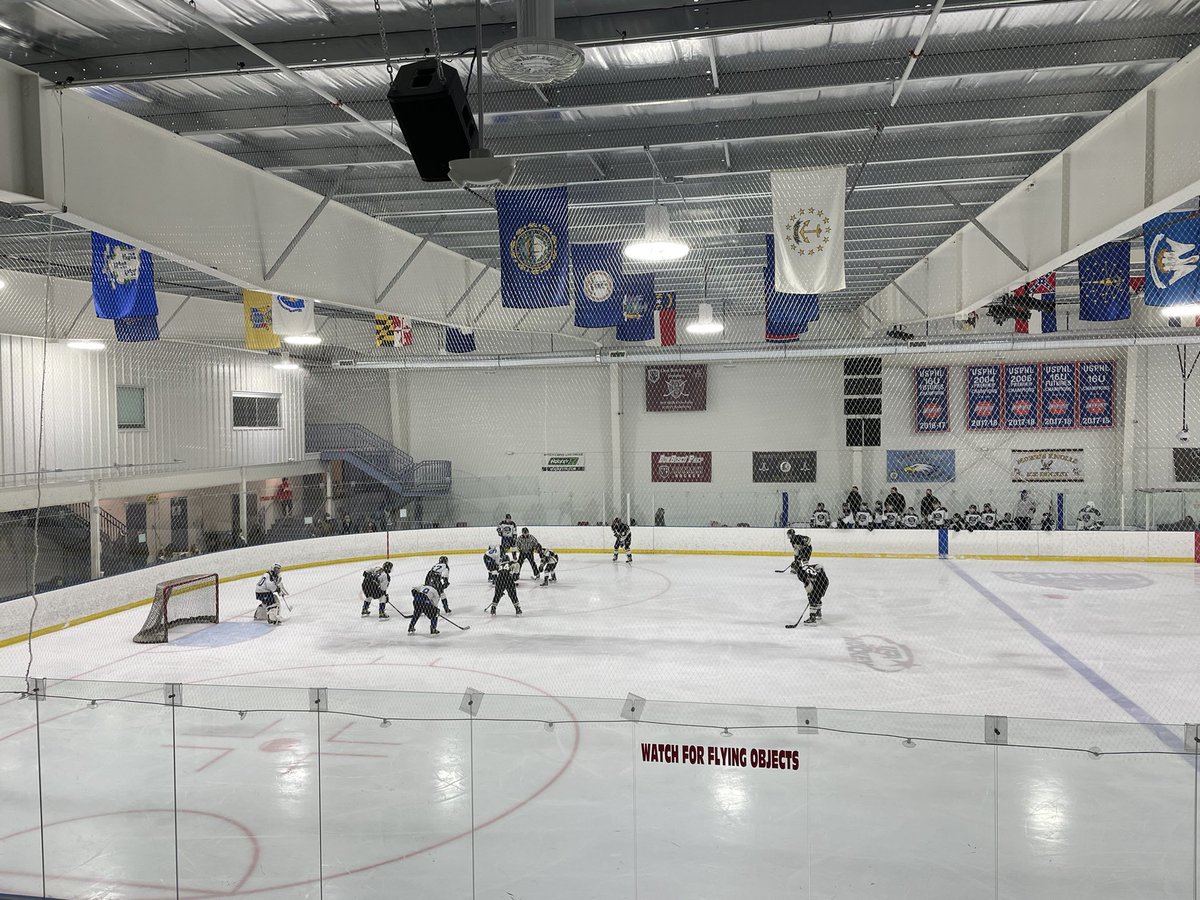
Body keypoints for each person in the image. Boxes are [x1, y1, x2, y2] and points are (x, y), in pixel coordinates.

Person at [490, 549, 522, 616]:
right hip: (508, 579)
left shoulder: (499, 565)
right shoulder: (513, 564)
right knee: (513, 595)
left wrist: (500, 590)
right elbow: (516, 577)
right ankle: (517, 609)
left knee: (497, 595)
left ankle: (493, 608)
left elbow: (494, 572)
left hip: (500, 579)